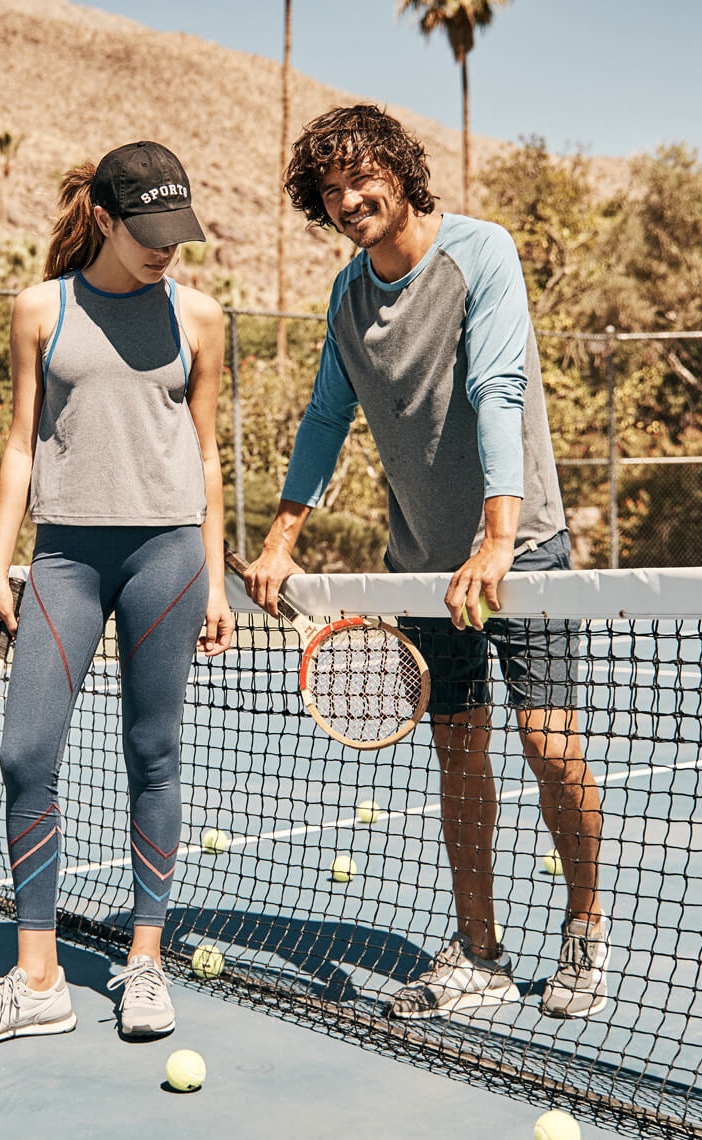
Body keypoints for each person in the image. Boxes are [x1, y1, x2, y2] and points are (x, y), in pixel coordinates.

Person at [244, 105, 608, 1021]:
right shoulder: (345, 295)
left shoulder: (482, 252)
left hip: (522, 552)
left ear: (400, 171)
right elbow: (327, 418)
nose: (347, 198)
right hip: (419, 568)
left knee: (546, 744)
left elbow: (496, 387)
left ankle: (585, 926)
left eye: (359, 178)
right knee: (458, 751)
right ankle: (478, 952)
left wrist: (495, 538)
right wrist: (281, 538)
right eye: (328, 191)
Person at [0, 141, 234, 1046]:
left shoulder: (202, 317)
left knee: (153, 754)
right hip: (64, 559)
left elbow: (209, 454)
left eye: (176, 233)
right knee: (26, 756)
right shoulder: (41, 309)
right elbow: (22, 445)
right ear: (104, 218)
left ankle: (143, 963)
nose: (164, 249)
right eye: (147, 231)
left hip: (168, 558)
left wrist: (216, 579)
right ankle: (39, 981)